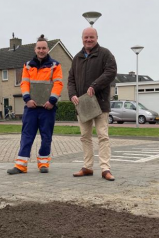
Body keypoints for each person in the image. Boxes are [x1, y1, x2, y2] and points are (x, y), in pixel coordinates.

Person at [7, 35, 63, 175]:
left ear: (48, 49)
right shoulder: (27, 65)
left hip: (47, 108)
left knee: (46, 136)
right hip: (31, 107)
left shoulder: (55, 65)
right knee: (26, 135)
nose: (41, 50)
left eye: (44, 48)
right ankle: (21, 165)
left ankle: (43, 163)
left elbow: (58, 84)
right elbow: (24, 83)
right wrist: (27, 99)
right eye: (39, 48)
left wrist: (52, 101)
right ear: (35, 49)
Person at [67, 27, 117, 181]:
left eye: (91, 37)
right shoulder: (77, 58)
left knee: (103, 136)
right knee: (85, 136)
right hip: (83, 105)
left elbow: (111, 72)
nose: (88, 40)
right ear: (82, 38)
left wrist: (94, 86)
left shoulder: (105, 54)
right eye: (86, 37)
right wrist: (72, 95)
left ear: (97, 37)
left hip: (100, 103)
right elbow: (71, 79)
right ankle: (87, 167)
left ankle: (105, 169)